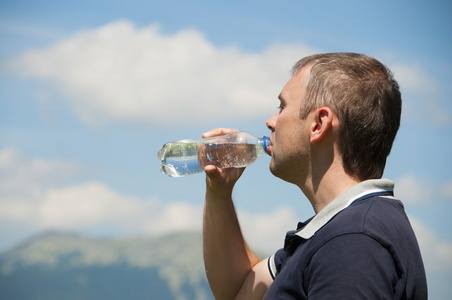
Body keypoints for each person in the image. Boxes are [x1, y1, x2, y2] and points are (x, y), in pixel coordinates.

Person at [202, 52, 427, 299]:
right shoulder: (338, 231)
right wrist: (219, 193)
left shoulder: (352, 242)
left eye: (282, 106)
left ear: (319, 124)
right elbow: (240, 290)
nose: (270, 122)